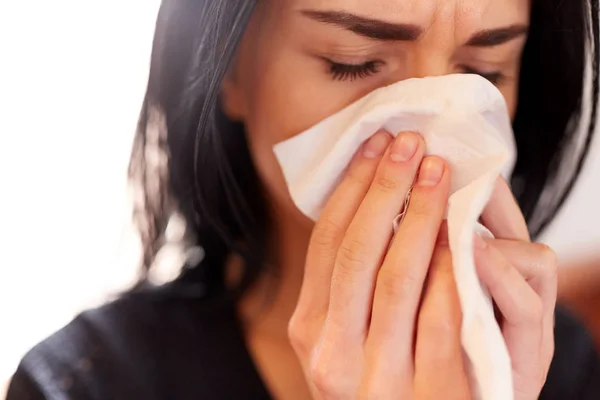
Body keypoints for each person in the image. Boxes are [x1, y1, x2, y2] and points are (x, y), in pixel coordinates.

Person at [7, 0, 600, 399]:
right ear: (230, 73)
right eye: (354, 64)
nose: (426, 136)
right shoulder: (88, 382)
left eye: (484, 74)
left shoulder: (559, 363)